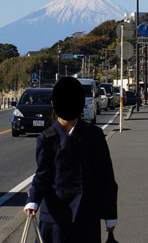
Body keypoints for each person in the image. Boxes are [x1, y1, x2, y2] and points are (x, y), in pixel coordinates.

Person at [24, 76, 118, 243]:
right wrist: (33, 201)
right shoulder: (46, 138)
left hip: (86, 216)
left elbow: (105, 178)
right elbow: (42, 176)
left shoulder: (94, 135)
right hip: (55, 218)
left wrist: (109, 215)